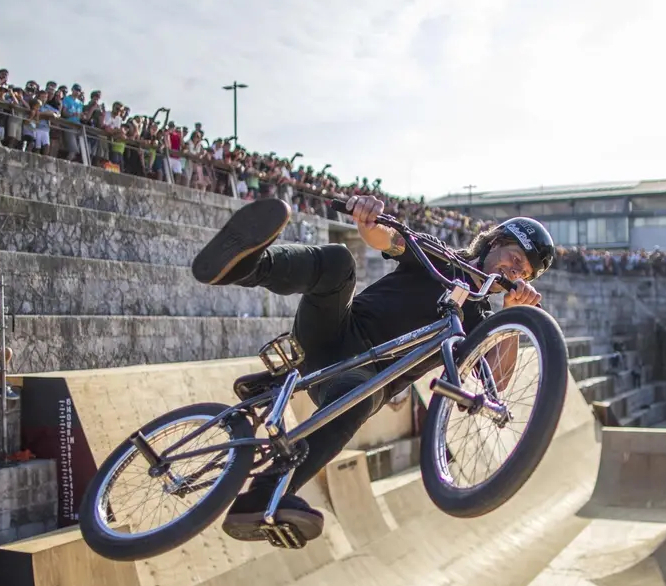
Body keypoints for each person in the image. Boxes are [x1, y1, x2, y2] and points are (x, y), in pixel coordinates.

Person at [190, 196, 555, 544]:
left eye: (524, 273)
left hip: (359, 380)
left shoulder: (481, 323)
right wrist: (367, 217)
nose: (515, 271)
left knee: (366, 396)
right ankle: (246, 265)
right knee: (338, 263)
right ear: (495, 243)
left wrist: (511, 315)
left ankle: (266, 492)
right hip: (333, 335)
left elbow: (498, 383)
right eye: (514, 257)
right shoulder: (440, 257)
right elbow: (389, 239)